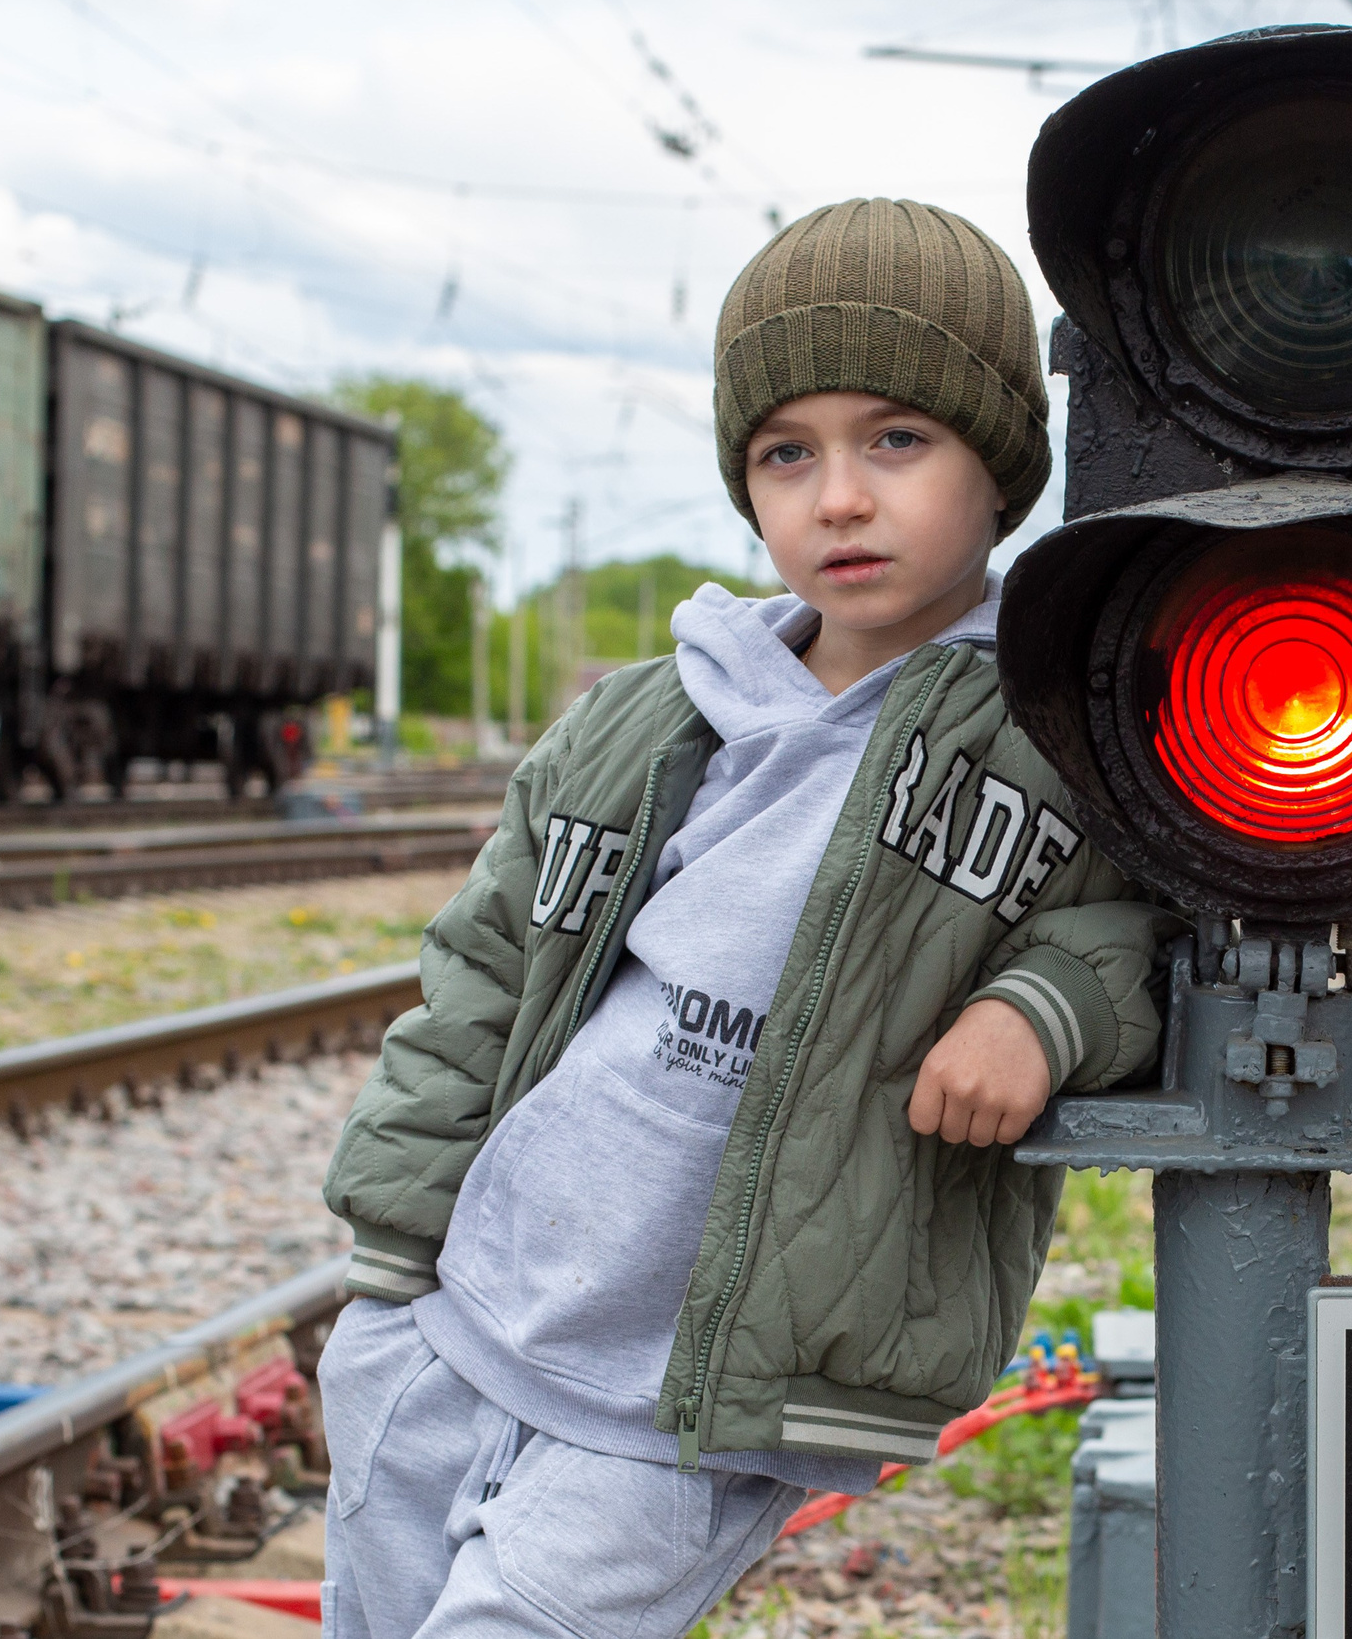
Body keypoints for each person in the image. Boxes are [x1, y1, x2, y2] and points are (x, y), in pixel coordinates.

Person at [313, 197, 1176, 1638]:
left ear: (1001, 468)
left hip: (701, 1400)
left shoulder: (1062, 738)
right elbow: (478, 977)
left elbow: (1158, 936)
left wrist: (1040, 1010)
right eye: (788, 453)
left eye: (896, 440)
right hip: (459, 1322)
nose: (838, 498)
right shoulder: (644, 719)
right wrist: (391, 1276)